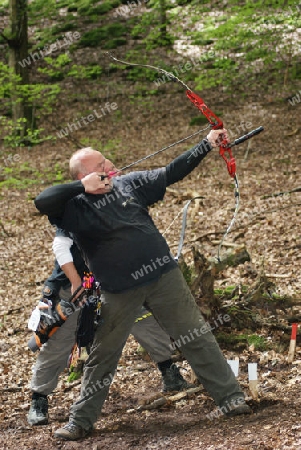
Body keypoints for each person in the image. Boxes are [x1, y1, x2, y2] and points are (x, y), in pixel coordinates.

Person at [34, 130, 251, 441]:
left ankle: (231, 400)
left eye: (106, 163)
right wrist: (83, 186)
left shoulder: (129, 184)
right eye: (100, 166)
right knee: (103, 355)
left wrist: (206, 144)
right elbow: (42, 201)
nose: (109, 167)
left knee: (197, 337)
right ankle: (80, 421)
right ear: (84, 176)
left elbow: (171, 171)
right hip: (118, 289)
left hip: (163, 276)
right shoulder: (72, 206)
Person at [27, 229, 193, 426]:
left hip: (115, 283)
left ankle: (170, 372)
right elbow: (60, 246)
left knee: (144, 321)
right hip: (76, 285)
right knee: (58, 342)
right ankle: (38, 399)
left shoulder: (117, 206)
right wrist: (74, 280)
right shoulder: (73, 209)